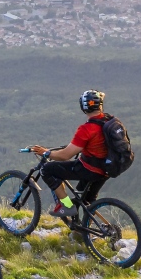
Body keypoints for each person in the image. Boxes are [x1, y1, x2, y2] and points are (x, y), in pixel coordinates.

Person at [29, 90, 110, 220]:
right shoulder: (110, 122)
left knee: (46, 169)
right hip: (107, 169)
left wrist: (47, 152)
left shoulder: (86, 129)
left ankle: (66, 206)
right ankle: (82, 231)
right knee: (84, 199)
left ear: (83, 108)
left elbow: (65, 156)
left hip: (90, 169)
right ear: (100, 105)